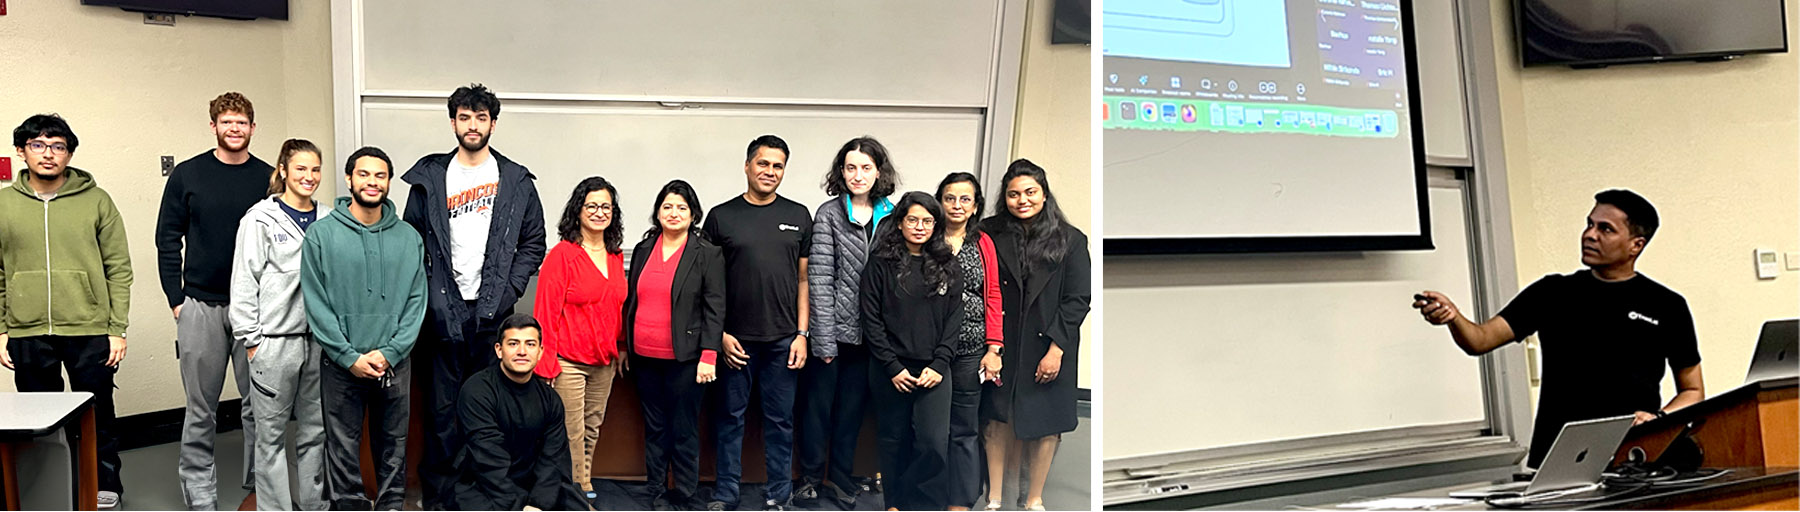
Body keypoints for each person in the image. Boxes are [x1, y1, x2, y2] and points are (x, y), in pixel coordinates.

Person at [1413, 189, 1703, 468]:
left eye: (1606, 229)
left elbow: (1692, 390)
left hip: (1632, 455)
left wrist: (1660, 418)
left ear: (1635, 245)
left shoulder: (1667, 305)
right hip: (1558, 458)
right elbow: (1479, 340)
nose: (1590, 235)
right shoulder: (1552, 292)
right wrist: (1453, 317)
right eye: (1589, 224)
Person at [399, 83, 548, 508]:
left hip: (492, 316)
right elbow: (413, 243)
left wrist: (508, 292)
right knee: (442, 412)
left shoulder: (515, 180)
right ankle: (441, 497)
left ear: (493, 124)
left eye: (481, 118)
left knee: (490, 410)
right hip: (441, 313)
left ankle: (484, 493)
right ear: (453, 123)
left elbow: (533, 243)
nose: (472, 125)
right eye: (464, 117)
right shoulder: (430, 178)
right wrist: (431, 297)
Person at [0, 114, 132, 509]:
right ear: (21, 151)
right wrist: (2, 330)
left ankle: (104, 486)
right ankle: (44, 491)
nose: (48, 154)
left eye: (57, 146)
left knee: (98, 413)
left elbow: (118, 268)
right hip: (26, 330)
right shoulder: (4, 204)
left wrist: (116, 328)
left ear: (69, 154)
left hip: (89, 327)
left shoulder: (96, 200)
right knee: (38, 419)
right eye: (38, 145)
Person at [156, 92, 272, 510]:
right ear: (214, 127)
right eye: (227, 122)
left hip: (255, 308)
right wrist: (177, 300)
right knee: (200, 406)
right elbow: (167, 239)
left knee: (259, 403)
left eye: (242, 122)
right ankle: (198, 487)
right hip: (200, 305)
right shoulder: (188, 175)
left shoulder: (267, 177)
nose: (235, 129)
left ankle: (261, 482)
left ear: (253, 128)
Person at [302, 147, 427, 511]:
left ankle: (390, 507)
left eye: (380, 176)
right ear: (349, 179)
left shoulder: (408, 237)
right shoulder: (321, 236)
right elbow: (316, 301)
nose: (372, 182)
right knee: (342, 447)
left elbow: (416, 302)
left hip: (395, 362)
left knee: (393, 447)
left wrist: (390, 353)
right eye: (364, 174)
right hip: (341, 363)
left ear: (388, 182)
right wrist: (348, 356)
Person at [703, 135, 813, 511]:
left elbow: (803, 280)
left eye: (778, 166)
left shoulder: (799, 215)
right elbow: (709, 283)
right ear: (748, 166)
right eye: (763, 164)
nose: (770, 172)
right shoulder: (720, 217)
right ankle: (726, 493)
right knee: (729, 419)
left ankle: (779, 494)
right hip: (735, 341)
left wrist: (802, 334)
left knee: (780, 421)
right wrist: (719, 335)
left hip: (784, 340)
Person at [979, 159, 1090, 512]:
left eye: (1030, 192)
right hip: (1001, 342)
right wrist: (991, 346)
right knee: (996, 418)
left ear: (1044, 195)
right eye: (1013, 194)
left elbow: (1078, 299)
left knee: (1046, 423)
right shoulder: (987, 232)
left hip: (1050, 343)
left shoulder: (1070, 239)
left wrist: (1056, 349)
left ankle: (1033, 499)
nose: (1021, 200)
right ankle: (995, 497)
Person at [795, 137, 897, 507]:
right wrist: (822, 341)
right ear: (841, 172)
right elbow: (819, 279)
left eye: (866, 168)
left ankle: (839, 478)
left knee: (851, 414)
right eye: (851, 167)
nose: (858, 175)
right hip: (832, 335)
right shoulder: (828, 214)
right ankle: (808, 478)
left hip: (871, 338)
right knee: (817, 412)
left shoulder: (892, 214)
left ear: (878, 172)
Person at [229, 139, 330, 511]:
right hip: (274, 343)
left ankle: (314, 504)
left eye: (315, 169)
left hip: (319, 344)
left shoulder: (330, 218)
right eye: (300, 168)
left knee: (315, 433)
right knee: (270, 436)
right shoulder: (259, 219)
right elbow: (244, 282)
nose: (309, 176)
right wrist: (253, 341)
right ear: (283, 171)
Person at [622, 180, 726, 511]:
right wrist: (624, 346)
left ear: (693, 214)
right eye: (667, 206)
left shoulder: (707, 253)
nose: (674, 213)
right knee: (654, 428)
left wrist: (709, 355)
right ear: (657, 212)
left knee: (683, 430)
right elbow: (630, 302)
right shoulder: (643, 249)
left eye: (681, 207)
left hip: (687, 359)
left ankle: (683, 494)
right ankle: (655, 491)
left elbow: (715, 307)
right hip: (643, 357)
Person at [860, 192, 964, 511]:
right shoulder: (881, 263)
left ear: (936, 225)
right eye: (913, 220)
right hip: (891, 369)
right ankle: (895, 503)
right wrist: (892, 367)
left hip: (935, 367)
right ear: (901, 222)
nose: (920, 227)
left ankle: (923, 502)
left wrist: (940, 362)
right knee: (893, 440)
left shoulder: (948, 264)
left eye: (928, 221)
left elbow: (953, 320)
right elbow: (870, 318)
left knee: (933, 442)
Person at [532, 177, 628, 500]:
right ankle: (576, 491)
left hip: (605, 361)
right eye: (592, 206)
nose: (599, 212)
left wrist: (621, 348)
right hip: (567, 362)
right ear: (578, 211)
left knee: (591, 429)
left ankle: (581, 484)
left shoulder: (615, 256)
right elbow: (545, 312)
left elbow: (618, 307)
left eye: (606, 207)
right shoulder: (562, 255)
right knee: (571, 433)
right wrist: (545, 365)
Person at [452, 314, 591, 511]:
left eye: (530, 344)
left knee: (574, 503)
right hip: (485, 485)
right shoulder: (477, 391)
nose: (522, 351)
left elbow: (553, 460)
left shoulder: (550, 399)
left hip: (535, 484)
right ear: (499, 350)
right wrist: (519, 505)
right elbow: (488, 461)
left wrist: (537, 504)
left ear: (541, 352)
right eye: (514, 344)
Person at [935, 172, 1005, 511]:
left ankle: (960, 500)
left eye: (965, 199)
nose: (957, 205)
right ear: (940, 201)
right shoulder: (928, 235)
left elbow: (992, 294)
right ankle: (930, 492)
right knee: (930, 430)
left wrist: (994, 348)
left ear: (975, 205)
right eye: (950, 198)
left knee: (964, 428)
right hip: (929, 350)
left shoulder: (983, 243)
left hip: (970, 349)